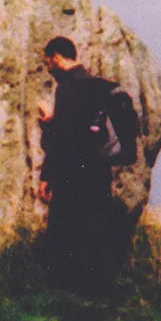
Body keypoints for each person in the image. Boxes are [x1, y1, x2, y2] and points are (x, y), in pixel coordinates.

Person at [37, 36, 120, 293]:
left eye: (48, 62)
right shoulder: (95, 85)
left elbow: (63, 138)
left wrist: (46, 176)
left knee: (64, 231)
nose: (48, 68)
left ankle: (65, 290)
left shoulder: (67, 88)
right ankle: (98, 289)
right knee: (93, 230)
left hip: (72, 172)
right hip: (99, 171)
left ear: (56, 57)